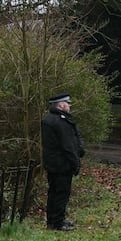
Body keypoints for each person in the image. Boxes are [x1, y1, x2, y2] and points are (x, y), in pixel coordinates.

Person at [41, 93, 85, 231]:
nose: (70, 105)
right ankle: (57, 223)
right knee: (61, 193)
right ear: (61, 105)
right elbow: (68, 145)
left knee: (53, 192)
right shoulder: (60, 121)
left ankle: (53, 220)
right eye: (68, 103)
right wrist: (75, 162)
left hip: (53, 163)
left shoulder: (49, 119)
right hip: (62, 164)